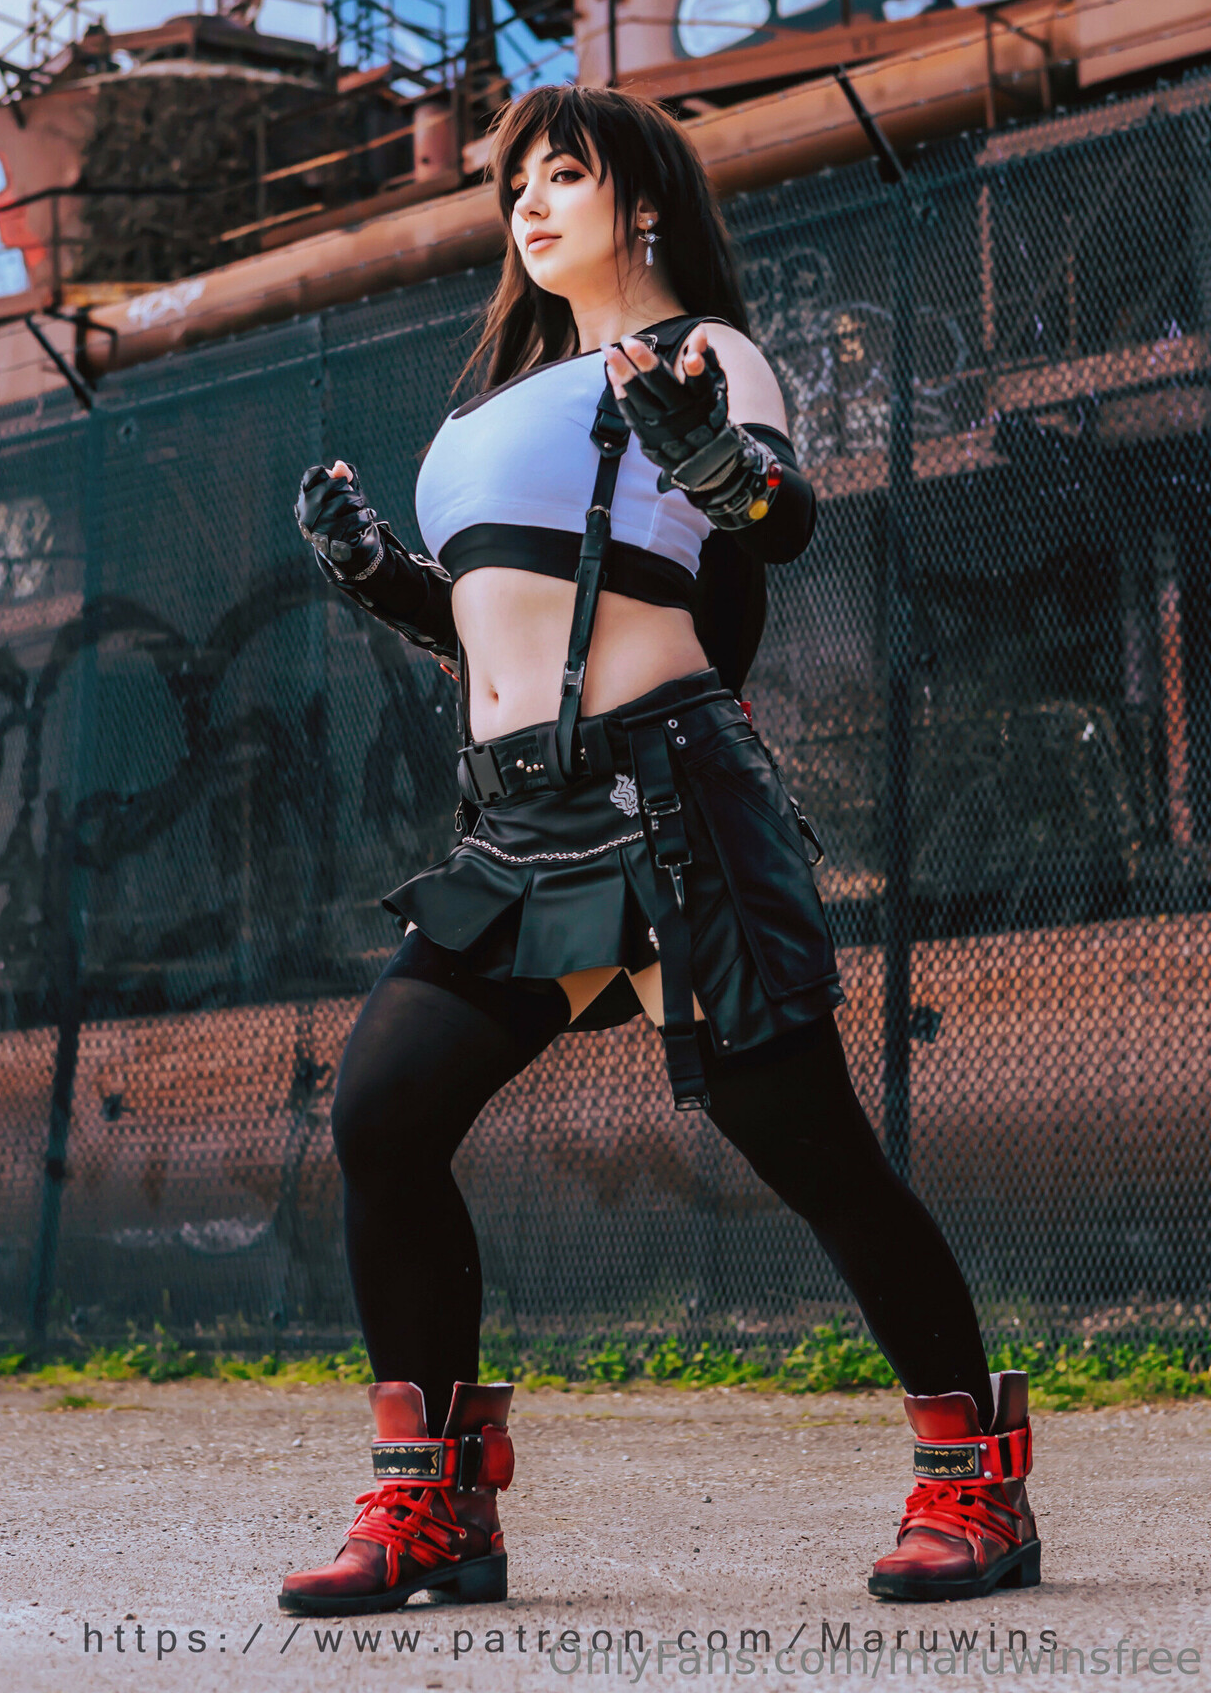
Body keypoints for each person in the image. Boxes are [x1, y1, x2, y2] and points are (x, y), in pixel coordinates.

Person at [277, 85, 1040, 1617]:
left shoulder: (705, 354)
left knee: (806, 1144)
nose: (529, 203)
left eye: (564, 174)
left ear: (639, 203)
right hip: (517, 823)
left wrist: (707, 456)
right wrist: (382, 578)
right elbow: (496, 626)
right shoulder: (485, 409)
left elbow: (776, 520)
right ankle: (435, 1507)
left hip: (671, 797)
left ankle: (976, 1482)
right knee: (381, 1114)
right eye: (514, 183)